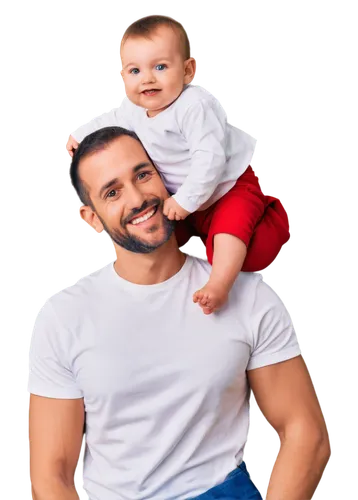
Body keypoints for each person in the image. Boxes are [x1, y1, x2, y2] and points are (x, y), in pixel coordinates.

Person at [27, 126, 331, 500]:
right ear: (91, 218)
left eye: (143, 174)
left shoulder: (245, 293)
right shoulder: (63, 317)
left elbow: (307, 433)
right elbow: (50, 474)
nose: (138, 198)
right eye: (113, 191)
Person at [65, 13, 292, 315]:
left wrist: (185, 201)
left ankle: (219, 285)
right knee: (159, 234)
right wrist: (78, 135)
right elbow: (110, 120)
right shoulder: (135, 108)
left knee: (230, 235)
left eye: (160, 67)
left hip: (228, 187)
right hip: (185, 197)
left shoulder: (193, 106)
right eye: (134, 70)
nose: (147, 78)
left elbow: (210, 160)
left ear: (188, 70)